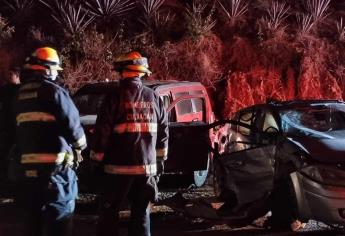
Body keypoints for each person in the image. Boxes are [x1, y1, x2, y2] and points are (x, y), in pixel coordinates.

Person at [91, 51, 169, 236]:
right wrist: (159, 163)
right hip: (146, 171)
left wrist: (95, 162)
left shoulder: (113, 98)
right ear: (141, 73)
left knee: (109, 215)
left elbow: (102, 134)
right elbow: (164, 134)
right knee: (141, 215)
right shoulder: (155, 98)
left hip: (116, 172)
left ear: (121, 71)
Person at [13, 47, 86, 236]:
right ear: (48, 69)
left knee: (33, 223)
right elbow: (74, 129)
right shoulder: (54, 92)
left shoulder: (18, 96)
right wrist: (80, 147)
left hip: (28, 176)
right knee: (60, 222)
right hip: (56, 176)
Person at [0, 66, 21, 182]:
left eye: (11, 74)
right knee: (4, 151)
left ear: (17, 76)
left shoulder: (21, 90)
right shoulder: (4, 89)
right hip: (6, 127)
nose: (8, 76)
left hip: (17, 126)